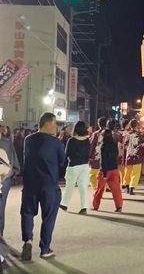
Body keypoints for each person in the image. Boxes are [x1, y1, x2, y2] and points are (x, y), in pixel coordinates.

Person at [20, 112, 65, 261]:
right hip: (49, 185)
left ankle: (27, 240)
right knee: (49, 217)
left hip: (30, 184)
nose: (56, 127)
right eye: (55, 123)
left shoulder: (28, 140)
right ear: (48, 124)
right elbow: (62, 162)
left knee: (27, 213)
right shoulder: (56, 143)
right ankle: (44, 249)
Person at [60, 121, 90, 214]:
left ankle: (64, 204)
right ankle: (84, 207)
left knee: (70, 185)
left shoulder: (71, 140)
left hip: (73, 165)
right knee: (83, 186)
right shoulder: (87, 140)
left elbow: (67, 153)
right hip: (84, 165)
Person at [92, 128, 124, 213]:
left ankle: (96, 206)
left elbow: (103, 160)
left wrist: (104, 173)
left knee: (99, 189)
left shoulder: (103, 146)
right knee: (116, 189)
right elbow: (116, 156)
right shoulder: (114, 145)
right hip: (114, 169)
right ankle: (119, 206)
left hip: (105, 170)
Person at [0, 118, 20, 237]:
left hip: (4, 179)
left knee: (1, 208)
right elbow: (14, 163)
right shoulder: (7, 143)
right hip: (5, 178)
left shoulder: (7, 143)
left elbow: (13, 162)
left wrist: (9, 174)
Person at [122, 119, 144, 195]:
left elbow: (125, 145)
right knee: (135, 173)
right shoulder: (140, 135)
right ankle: (132, 188)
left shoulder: (127, 134)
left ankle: (126, 185)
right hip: (137, 156)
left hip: (128, 156)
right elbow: (143, 144)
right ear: (137, 125)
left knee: (127, 172)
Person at [87, 118, 108, 192]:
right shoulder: (110, 133)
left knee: (93, 174)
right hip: (107, 157)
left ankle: (96, 188)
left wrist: (89, 156)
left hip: (96, 157)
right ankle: (106, 187)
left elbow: (91, 145)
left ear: (98, 124)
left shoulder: (96, 134)